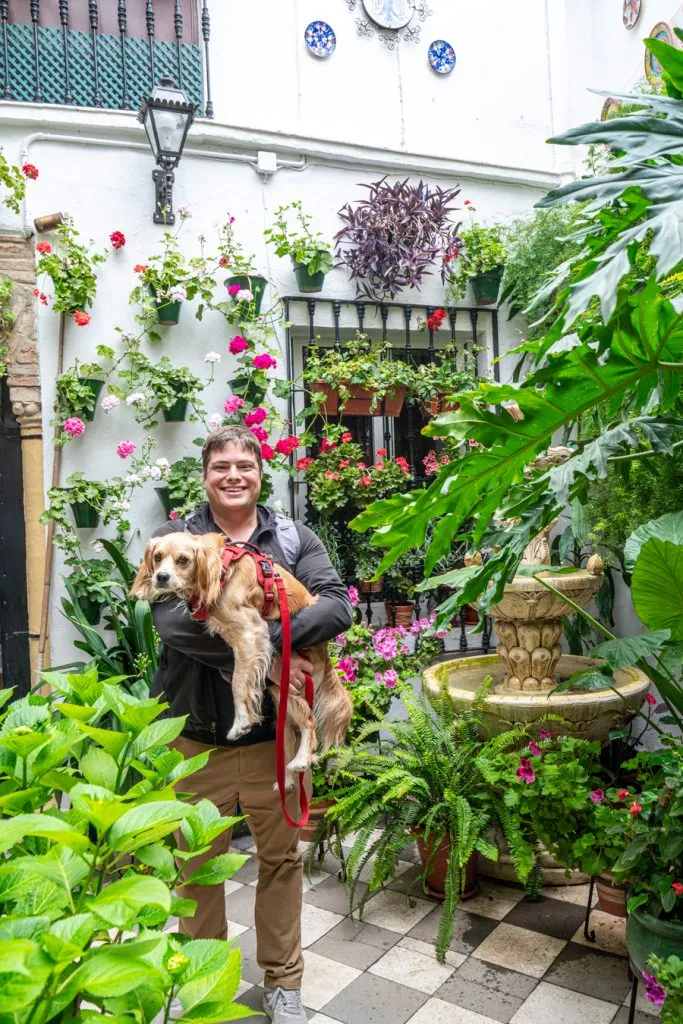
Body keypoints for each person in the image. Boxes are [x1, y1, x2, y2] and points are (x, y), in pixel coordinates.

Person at [150, 425, 353, 1024]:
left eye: (244, 465)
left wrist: (271, 647)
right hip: (194, 738)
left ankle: (283, 985)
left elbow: (336, 605)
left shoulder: (292, 538)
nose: (233, 475)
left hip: (273, 740)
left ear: (261, 472)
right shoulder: (176, 544)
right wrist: (264, 660)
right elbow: (176, 630)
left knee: (282, 863)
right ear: (206, 476)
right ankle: (204, 983)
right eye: (221, 467)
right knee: (196, 867)